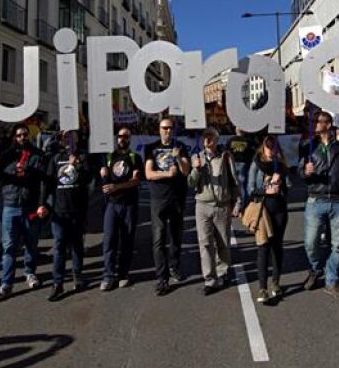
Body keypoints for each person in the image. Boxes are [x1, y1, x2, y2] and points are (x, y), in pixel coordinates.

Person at [300, 110, 339, 302]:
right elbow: (300, 173)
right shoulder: (308, 146)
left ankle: (332, 281)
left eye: (318, 121)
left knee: (336, 244)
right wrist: (305, 172)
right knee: (311, 242)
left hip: (338, 200)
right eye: (314, 121)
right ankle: (316, 268)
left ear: (328, 124)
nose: (315, 124)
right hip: (316, 198)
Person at [0, 123, 46, 301]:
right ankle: (6, 284)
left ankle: (30, 273)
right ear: (14, 137)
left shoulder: (37, 155)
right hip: (10, 206)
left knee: (31, 244)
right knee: (9, 247)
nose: (22, 138)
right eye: (19, 135)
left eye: (25, 134)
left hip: (30, 206)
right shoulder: (6, 155)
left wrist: (42, 204)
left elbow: (43, 181)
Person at [189, 127, 240, 296]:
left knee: (223, 242)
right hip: (202, 205)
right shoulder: (197, 157)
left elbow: (234, 181)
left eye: (211, 137)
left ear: (217, 140)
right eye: (205, 137)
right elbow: (191, 183)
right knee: (205, 243)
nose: (207, 140)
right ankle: (209, 279)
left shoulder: (225, 157)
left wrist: (237, 202)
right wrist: (196, 169)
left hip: (222, 205)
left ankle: (223, 273)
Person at [42, 130, 92, 302]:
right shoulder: (56, 158)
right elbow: (48, 183)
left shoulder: (83, 156)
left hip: (77, 209)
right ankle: (58, 283)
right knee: (59, 247)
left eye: (71, 136)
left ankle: (77, 275)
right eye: (64, 136)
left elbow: (88, 178)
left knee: (77, 245)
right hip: (59, 210)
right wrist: (42, 203)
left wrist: (77, 165)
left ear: (76, 138)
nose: (67, 139)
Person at [144, 117, 191, 296]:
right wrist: (166, 174)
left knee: (176, 236)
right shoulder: (151, 148)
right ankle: (162, 278)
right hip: (159, 199)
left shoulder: (181, 146)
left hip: (177, 198)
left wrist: (178, 158)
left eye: (170, 128)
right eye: (164, 128)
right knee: (159, 239)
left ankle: (174, 267)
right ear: (159, 129)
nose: (167, 131)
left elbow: (186, 171)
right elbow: (148, 174)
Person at [99, 126, 143, 291]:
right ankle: (108, 275)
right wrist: (103, 176)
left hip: (129, 204)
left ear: (130, 139)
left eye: (126, 136)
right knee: (109, 240)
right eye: (120, 136)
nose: (122, 139)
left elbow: (136, 181)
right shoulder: (109, 157)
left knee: (127, 240)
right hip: (112, 204)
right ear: (116, 138)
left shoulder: (134, 157)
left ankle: (123, 274)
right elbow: (103, 180)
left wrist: (116, 187)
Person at [248, 134, 289, 304]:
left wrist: (281, 181)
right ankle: (262, 288)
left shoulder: (281, 165)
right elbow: (250, 189)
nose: (271, 150)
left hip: (279, 210)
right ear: (263, 148)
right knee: (263, 247)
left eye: (274, 146)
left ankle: (276, 283)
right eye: (268, 146)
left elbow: (288, 189)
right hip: (263, 210)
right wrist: (266, 188)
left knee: (277, 247)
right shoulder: (256, 164)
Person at [226, 128, 255, 211]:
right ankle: (242, 206)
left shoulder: (230, 140)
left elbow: (226, 152)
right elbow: (251, 154)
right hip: (243, 163)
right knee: (242, 185)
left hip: (232, 163)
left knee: (232, 185)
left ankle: (233, 206)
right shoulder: (248, 141)